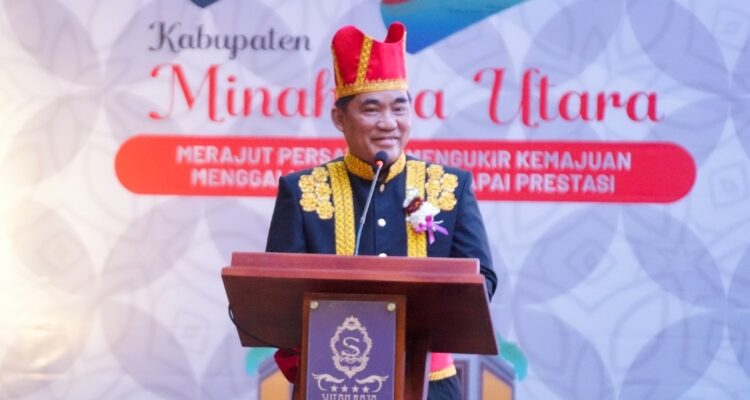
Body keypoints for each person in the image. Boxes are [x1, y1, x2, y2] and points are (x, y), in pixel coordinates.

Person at [266, 21, 497, 400]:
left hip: (430, 384)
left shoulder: (450, 186)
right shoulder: (302, 190)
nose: (389, 123)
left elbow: (482, 280)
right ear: (339, 119)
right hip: (330, 382)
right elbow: (276, 292)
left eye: (399, 108)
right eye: (371, 109)